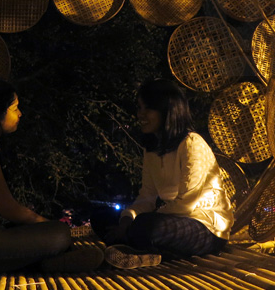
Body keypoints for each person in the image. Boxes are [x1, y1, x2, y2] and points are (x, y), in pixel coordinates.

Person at [0, 78, 102, 273]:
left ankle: (47, 262)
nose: (20, 114)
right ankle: (46, 262)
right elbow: (9, 210)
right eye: (14, 108)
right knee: (60, 233)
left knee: (53, 232)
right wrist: (46, 225)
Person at [96, 78, 233, 269]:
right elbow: (148, 195)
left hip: (206, 228)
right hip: (170, 220)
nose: (140, 114)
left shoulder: (192, 143)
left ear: (166, 111)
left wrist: (137, 222)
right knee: (102, 217)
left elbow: (187, 204)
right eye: (139, 108)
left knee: (147, 226)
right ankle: (142, 249)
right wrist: (127, 219)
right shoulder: (151, 149)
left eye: (148, 109)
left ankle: (135, 247)